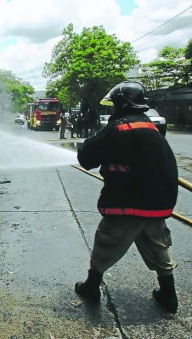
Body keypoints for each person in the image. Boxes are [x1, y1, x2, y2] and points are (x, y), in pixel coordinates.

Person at [75, 81, 179, 313]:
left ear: (121, 103)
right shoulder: (150, 126)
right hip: (157, 202)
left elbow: (88, 157)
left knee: (107, 241)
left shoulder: (120, 128)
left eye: (113, 104)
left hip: (129, 201)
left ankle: (91, 287)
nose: (111, 108)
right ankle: (169, 296)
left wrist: (84, 148)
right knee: (157, 245)